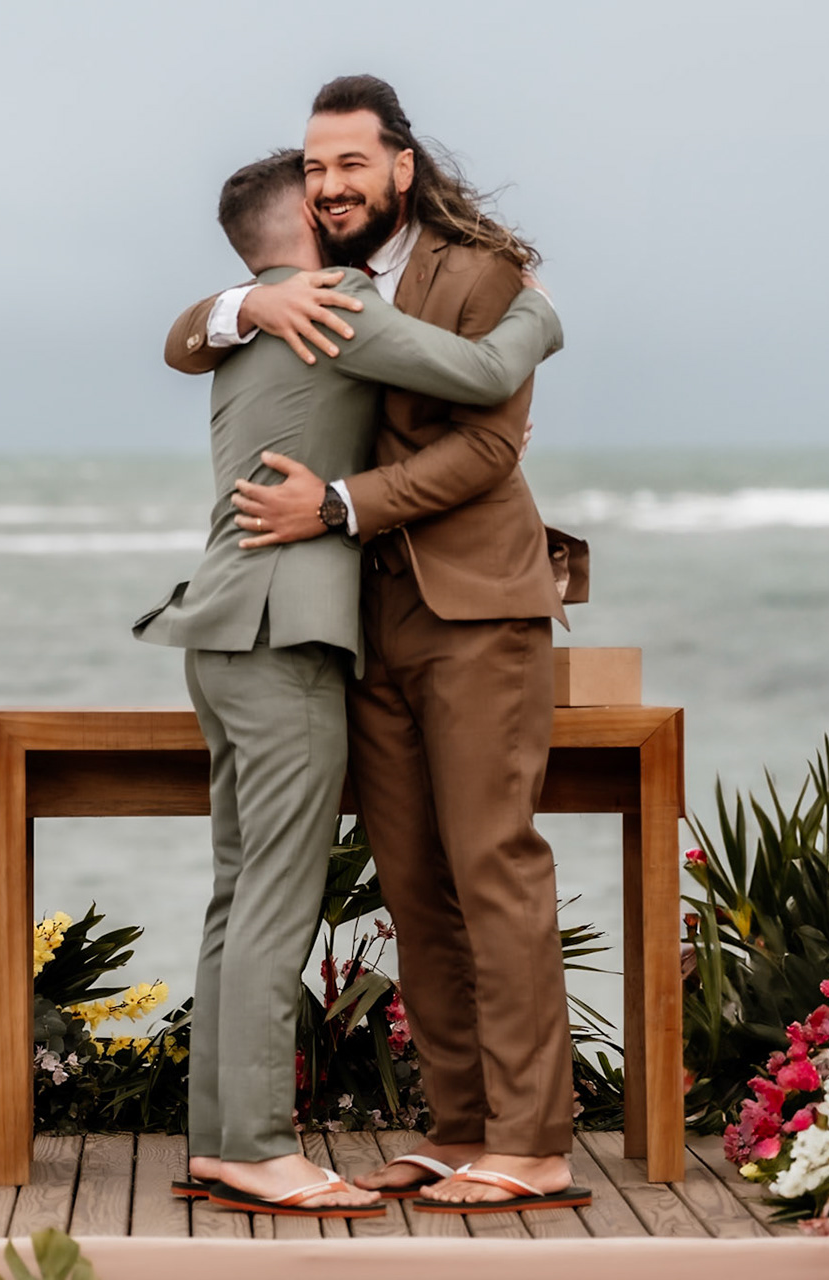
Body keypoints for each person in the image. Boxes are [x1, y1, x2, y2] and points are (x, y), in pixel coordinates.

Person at [161, 75, 590, 1214]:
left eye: (351, 163)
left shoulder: (475, 273)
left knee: (492, 865)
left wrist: (341, 504)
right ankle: (458, 1128)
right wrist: (237, 306)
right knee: (412, 882)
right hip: (363, 622)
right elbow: (185, 334)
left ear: (402, 164)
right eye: (314, 168)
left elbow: (487, 445)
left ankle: (532, 1140)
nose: (332, 183)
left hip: (470, 603)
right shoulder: (310, 288)